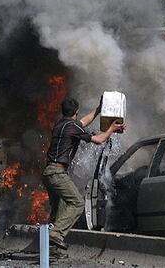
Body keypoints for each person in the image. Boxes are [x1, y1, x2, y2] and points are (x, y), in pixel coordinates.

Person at [42, 97, 124, 257]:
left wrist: (100, 108)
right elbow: (99, 140)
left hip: (49, 173)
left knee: (59, 210)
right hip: (57, 172)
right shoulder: (71, 126)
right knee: (77, 203)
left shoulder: (61, 124)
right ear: (76, 112)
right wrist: (111, 129)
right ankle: (56, 234)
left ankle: (50, 250)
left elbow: (83, 122)